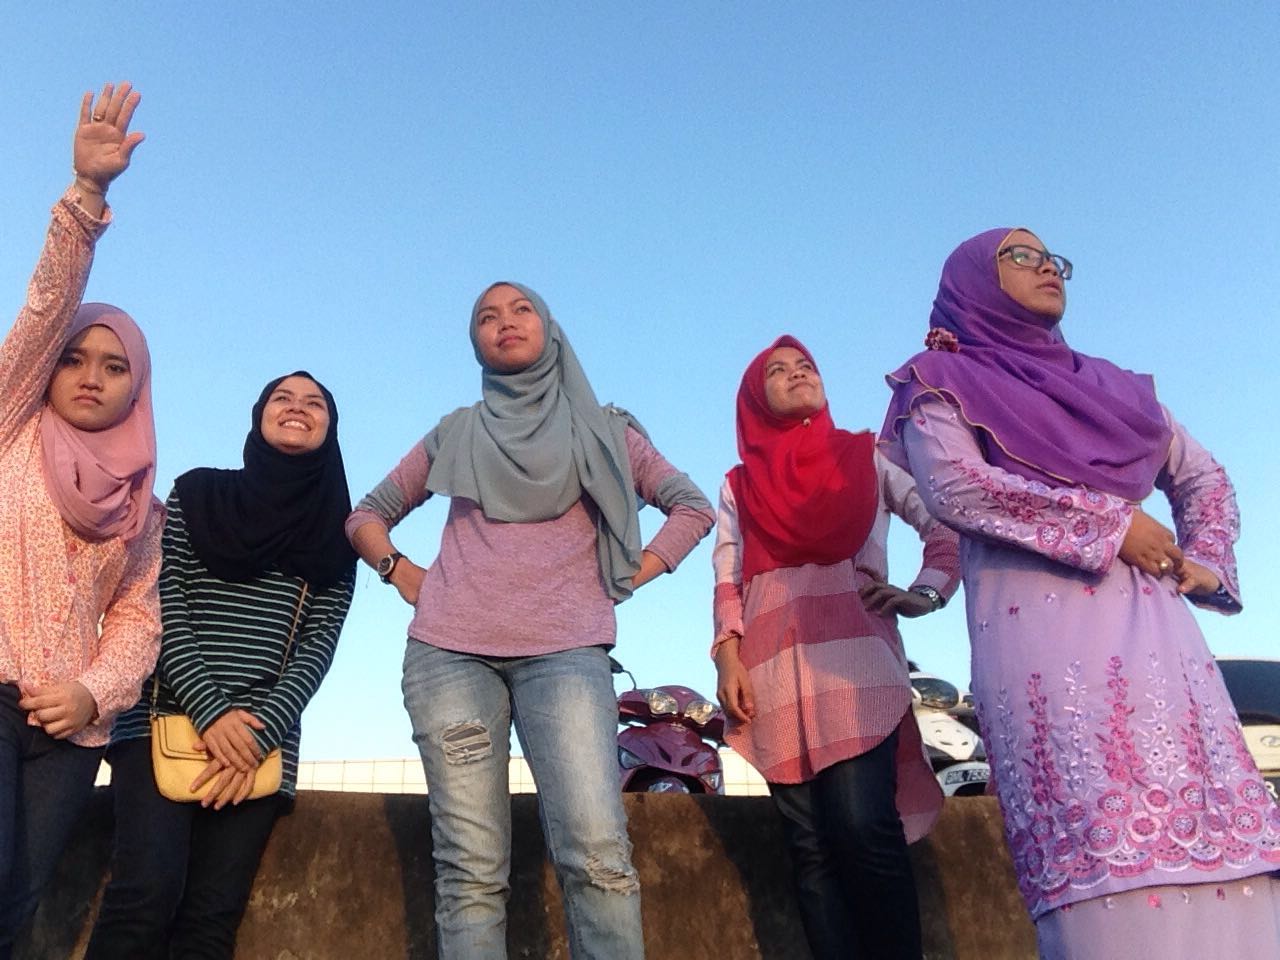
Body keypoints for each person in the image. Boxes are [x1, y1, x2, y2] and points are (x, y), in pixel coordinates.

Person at [879, 228, 1280, 958]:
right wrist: (1112, 524)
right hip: (1043, 643)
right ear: (973, 281)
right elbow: (956, 487)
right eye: (1020, 255)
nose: (1046, 267)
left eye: (1052, 258)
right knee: (1099, 847)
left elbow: (1204, 478)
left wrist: (1206, 562)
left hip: (1161, 640)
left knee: (1218, 846)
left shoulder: (1113, 389)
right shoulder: (940, 378)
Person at [347, 282, 714, 960]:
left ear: (549, 328)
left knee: (597, 854)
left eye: (521, 310)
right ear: (475, 343)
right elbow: (366, 514)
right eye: (486, 317)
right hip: (448, 656)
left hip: (568, 654)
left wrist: (630, 573)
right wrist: (402, 573)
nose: (504, 322)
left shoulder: (606, 433)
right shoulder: (456, 432)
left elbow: (691, 506)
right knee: (469, 869)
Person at [84, 373, 356, 959]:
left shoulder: (339, 534)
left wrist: (257, 733)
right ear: (258, 415)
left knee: (212, 919)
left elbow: (318, 647)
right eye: (283, 398)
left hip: (259, 743)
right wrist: (210, 713)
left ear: (331, 428)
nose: (297, 408)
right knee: (144, 895)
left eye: (315, 404)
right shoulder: (197, 494)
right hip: (159, 719)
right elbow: (163, 604)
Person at [711, 335, 958, 960]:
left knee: (863, 827)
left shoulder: (865, 458)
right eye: (778, 371)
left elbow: (942, 524)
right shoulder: (740, 485)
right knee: (811, 850)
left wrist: (927, 593)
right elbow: (728, 577)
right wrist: (728, 655)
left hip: (856, 668)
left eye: (806, 366)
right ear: (754, 398)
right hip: (772, 672)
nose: (798, 374)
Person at [0, 83, 158, 957]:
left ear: (139, 386)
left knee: (18, 907)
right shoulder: (12, 425)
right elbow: (43, 312)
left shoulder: (141, 502)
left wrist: (92, 693)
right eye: (75, 360)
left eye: (114, 365)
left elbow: (138, 618)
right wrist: (87, 195)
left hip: (68, 727)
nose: (91, 376)